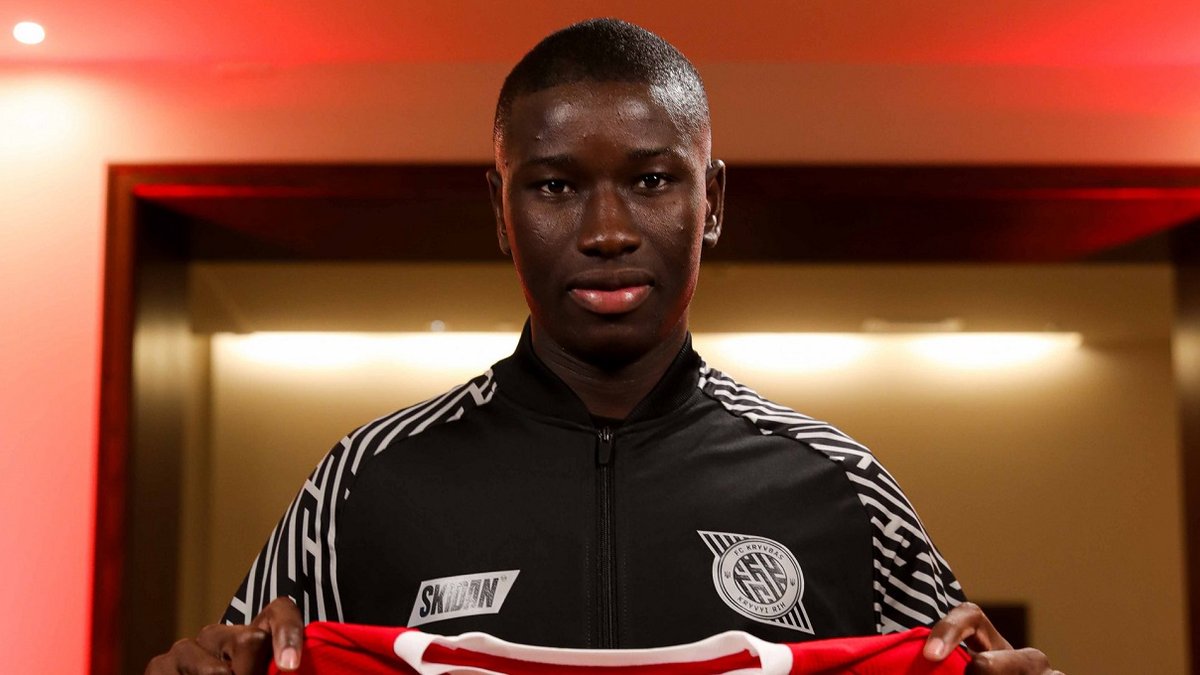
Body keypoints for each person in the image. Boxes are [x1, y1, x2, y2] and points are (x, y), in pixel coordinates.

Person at [147, 18, 1059, 675]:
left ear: (713, 202)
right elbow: (241, 651)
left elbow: (962, 652)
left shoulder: (844, 486)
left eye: (653, 180)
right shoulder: (362, 480)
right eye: (555, 187)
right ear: (500, 210)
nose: (607, 231)